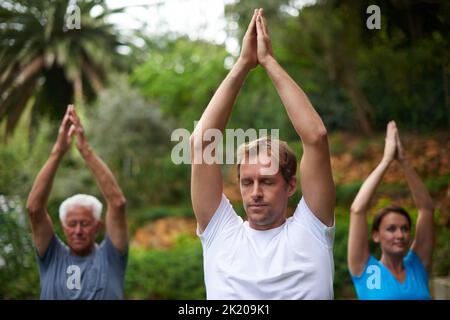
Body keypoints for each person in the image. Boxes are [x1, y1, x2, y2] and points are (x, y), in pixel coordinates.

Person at [190, 8, 336, 299]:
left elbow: (316, 137)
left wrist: (268, 61)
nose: (255, 192)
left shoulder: (312, 229)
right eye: (247, 182)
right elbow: (201, 144)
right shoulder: (221, 233)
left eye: (267, 181)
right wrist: (243, 63)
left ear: (291, 185)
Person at [26, 105, 128, 299]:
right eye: (72, 224)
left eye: (85, 223)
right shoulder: (52, 256)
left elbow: (118, 203)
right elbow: (34, 208)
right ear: (63, 227)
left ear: (98, 226)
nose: (78, 231)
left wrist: (85, 150)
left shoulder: (111, 257)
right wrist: (58, 151)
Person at [348, 121, 435, 299]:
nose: (400, 235)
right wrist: (386, 161)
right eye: (391, 228)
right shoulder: (368, 271)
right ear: (376, 235)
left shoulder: (417, 267)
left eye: (404, 228)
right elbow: (357, 210)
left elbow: (426, 209)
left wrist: (403, 160)